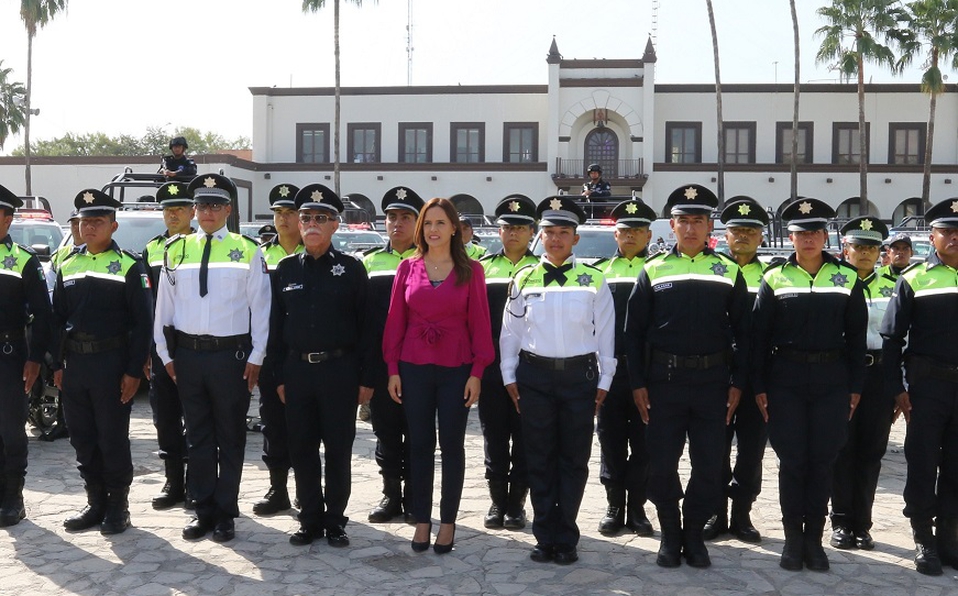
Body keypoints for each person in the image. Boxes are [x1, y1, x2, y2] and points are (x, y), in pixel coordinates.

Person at [624, 184, 749, 569]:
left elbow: (746, 334)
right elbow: (634, 332)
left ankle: (694, 533)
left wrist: (739, 382)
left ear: (709, 226)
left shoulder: (727, 270)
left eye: (698, 221)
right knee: (661, 463)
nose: (690, 228)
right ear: (672, 226)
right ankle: (670, 533)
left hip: (713, 384)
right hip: (664, 382)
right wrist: (637, 383)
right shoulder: (654, 269)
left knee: (711, 465)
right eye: (683, 221)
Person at [153, 173, 271, 543]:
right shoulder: (176, 250)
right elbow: (164, 309)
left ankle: (225, 512)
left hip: (230, 357)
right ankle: (202, 508)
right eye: (202, 205)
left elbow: (261, 309)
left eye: (215, 205)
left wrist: (257, 355)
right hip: (188, 355)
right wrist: (164, 353)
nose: (207, 211)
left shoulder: (248, 249)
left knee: (230, 435)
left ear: (228, 210)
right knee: (198, 435)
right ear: (194, 209)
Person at [752, 197, 866, 572]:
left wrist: (855, 387)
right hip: (785, 379)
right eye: (801, 234)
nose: (809, 240)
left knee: (822, 462)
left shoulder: (846, 277)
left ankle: (814, 542)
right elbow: (758, 338)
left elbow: (856, 339)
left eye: (815, 232)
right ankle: (792, 541)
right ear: (790, 237)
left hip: (832, 381)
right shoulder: (774, 277)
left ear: (824, 236)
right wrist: (759, 385)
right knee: (793, 462)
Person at [501, 195, 616, 565]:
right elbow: (511, 331)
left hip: (579, 378)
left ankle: (566, 535)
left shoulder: (595, 280)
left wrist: (606, 378)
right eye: (549, 232)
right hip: (534, 376)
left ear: (575, 239)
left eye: (563, 233)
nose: (555, 239)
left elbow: (607, 334)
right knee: (539, 457)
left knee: (573, 459)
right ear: (539, 236)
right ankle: (543, 534)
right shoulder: (524, 278)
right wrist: (508, 374)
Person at [383, 197, 494, 554]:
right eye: (428, 223)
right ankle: (422, 521)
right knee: (418, 446)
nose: (433, 230)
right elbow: (394, 322)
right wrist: (392, 369)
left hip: (456, 368)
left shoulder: (471, 270)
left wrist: (477, 371)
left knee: (452, 446)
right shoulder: (407, 268)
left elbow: (480, 323)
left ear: (454, 229)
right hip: (413, 367)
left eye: (440, 223)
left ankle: (447, 523)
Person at [268, 184, 374, 548]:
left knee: (338, 449)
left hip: (339, 372)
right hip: (297, 372)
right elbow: (276, 329)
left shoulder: (351, 269)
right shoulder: (284, 270)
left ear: (334, 225)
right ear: (298, 224)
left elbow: (366, 329)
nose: (312, 224)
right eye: (306, 217)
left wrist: (366, 378)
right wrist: (278, 376)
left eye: (321, 218)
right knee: (302, 448)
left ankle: (335, 521)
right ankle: (309, 518)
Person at [52, 189, 153, 535]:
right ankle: (95, 502)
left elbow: (143, 323)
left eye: (98, 221)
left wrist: (133, 370)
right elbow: (57, 318)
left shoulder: (129, 264)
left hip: (111, 364)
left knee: (112, 437)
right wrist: (57, 364)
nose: (90, 227)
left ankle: (117, 506)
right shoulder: (67, 262)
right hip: (75, 365)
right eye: (84, 221)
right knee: (82, 437)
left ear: (113, 225)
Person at [881, 197, 958, 576]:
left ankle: (950, 538)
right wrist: (897, 388)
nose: (954, 237)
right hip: (928, 388)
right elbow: (892, 340)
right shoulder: (913, 279)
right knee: (924, 463)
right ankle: (923, 538)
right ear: (932, 236)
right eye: (947, 231)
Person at [702, 196, 771, 544]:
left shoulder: (773, 276)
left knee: (751, 451)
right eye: (736, 231)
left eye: (750, 231)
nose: (742, 236)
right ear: (724, 236)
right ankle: (716, 512)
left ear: (762, 237)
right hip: (716, 377)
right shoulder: (710, 270)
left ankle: (742, 513)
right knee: (714, 448)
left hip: (758, 378)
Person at [830, 215, 896, 552]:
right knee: (842, 450)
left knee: (871, 453)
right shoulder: (834, 281)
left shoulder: (895, 284)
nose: (865, 253)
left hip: (880, 376)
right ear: (846, 248)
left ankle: (863, 524)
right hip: (842, 375)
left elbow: (903, 337)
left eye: (872, 247)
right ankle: (840, 520)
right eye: (859, 246)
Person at [592, 198, 656, 537]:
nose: (629, 236)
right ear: (615, 236)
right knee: (610, 440)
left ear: (648, 235)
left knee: (645, 443)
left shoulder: (657, 269)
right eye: (623, 231)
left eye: (636, 231)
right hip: (610, 370)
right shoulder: (600, 271)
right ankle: (614, 505)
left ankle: (638, 507)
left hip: (648, 372)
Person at [362, 186, 424, 524]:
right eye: (391, 217)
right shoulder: (369, 262)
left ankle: (416, 495)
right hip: (382, 365)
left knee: (418, 432)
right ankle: (391, 495)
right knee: (385, 432)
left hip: (419, 363)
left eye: (405, 217)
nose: (397, 223)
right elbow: (361, 320)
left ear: (418, 223)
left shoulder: (430, 261)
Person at [477, 195, 539, 530]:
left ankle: (517, 505)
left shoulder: (541, 269)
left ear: (532, 232)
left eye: (519, 228)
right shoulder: (483, 268)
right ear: (498, 231)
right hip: (490, 368)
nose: (512, 233)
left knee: (525, 438)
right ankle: (497, 502)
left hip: (529, 369)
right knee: (495, 437)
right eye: (507, 227)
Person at [141, 181, 195, 510]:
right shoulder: (152, 249)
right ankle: (173, 480)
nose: (172, 214)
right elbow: (147, 303)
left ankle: (198, 482)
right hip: (163, 347)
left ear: (192, 211)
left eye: (179, 208)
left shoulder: (202, 245)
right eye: (167, 209)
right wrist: (149, 349)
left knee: (199, 415)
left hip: (196, 344)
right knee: (165, 415)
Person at [0, 185, 52, 527]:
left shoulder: (23, 259)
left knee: (10, 430)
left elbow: (43, 314)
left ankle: (12, 497)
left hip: (9, 354)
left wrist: (34, 359)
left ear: (6, 219)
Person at [253, 183, 303, 517]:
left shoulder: (312, 253)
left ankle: (305, 487)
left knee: (304, 424)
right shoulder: (259, 255)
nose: (283, 220)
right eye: (278, 213)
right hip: (270, 353)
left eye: (290, 213)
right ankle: (278, 488)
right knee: (272, 422)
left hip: (302, 352)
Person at [39, 209, 81, 443]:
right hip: (61, 321)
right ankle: (62, 421)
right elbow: (49, 282)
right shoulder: (61, 253)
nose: (77, 228)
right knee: (60, 370)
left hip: (84, 324)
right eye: (73, 224)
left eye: (80, 223)